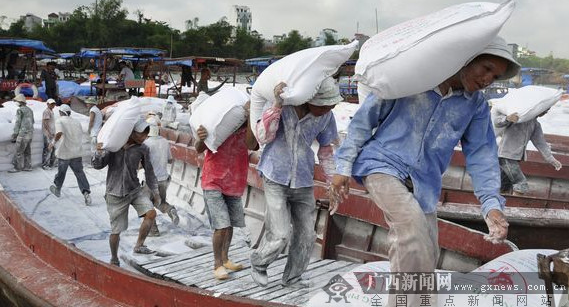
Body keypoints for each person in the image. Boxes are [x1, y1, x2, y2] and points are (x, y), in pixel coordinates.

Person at [331, 38, 520, 305]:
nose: (488, 79)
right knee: (411, 228)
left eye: (495, 75)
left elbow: (482, 154)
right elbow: (363, 123)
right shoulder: (412, 80)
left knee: (428, 251)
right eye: (486, 68)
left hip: (425, 181)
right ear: (466, 58)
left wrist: (491, 204)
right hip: (382, 165)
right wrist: (343, 167)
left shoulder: (475, 105)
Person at [249, 77, 341, 287]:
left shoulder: (327, 117)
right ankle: (259, 263)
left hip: (303, 178)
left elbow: (326, 151)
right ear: (312, 100)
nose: (329, 108)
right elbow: (263, 137)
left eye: (332, 105)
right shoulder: (285, 108)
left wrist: (332, 182)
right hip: (275, 175)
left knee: (307, 235)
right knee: (280, 233)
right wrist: (277, 105)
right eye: (326, 105)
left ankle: (293, 277)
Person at [195, 101, 259, 281]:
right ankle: (217, 265)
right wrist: (202, 137)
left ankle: (225, 258)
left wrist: (250, 117)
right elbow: (199, 148)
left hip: (235, 181)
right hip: (213, 180)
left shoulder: (248, 130)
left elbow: (251, 145)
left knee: (230, 224)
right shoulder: (219, 125)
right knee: (221, 225)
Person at [92, 119, 161, 266]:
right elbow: (97, 165)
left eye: (145, 135)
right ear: (132, 132)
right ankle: (114, 258)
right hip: (115, 192)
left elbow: (149, 171)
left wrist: (155, 191)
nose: (144, 138)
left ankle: (139, 245)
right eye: (142, 134)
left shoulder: (143, 149)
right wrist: (99, 153)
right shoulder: (114, 146)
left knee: (151, 214)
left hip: (134, 189)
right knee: (116, 230)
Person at [493, 110, 562, 195]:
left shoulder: (535, 124)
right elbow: (497, 122)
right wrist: (507, 118)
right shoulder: (518, 117)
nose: (546, 112)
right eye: (546, 109)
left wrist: (552, 159)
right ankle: (514, 206)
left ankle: (501, 204)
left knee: (504, 185)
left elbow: (541, 143)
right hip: (506, 156)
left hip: (515, 158)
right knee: (521, 184)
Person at [49, 104, 92, 206]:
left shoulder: (60, 121)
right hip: (77, 152)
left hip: (65, 153)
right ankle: (86, 193)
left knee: (61, 173)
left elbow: (59, 133)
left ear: (61, 113)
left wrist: (52, 143)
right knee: (79, 173)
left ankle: (57, 189)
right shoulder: (76, 121)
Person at [143, 117, 179, 237]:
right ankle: (170, 210)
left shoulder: (146, 144)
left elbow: (140, 163)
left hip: (151, 180)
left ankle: (154, 231)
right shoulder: (164, 141)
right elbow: (170, 160)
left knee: (147, 205)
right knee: (160, 202)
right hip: (164, 178)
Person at [9, 94, 34, 173]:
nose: (16, 103)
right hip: (30, 134)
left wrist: (15, 134)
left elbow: (18, 122)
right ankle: (28, 166)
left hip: (23, 134)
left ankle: (17, 168)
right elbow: (33, 121)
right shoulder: (30, 110)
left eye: (16, 101)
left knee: (19, 152)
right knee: (27, 151)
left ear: (20, 101)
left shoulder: (20, 110)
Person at [42, 98, 57, 169]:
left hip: (51, 133)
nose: (53, 105)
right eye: (51, 104)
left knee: (52, 149)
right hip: (48, 133)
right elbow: (45, 123)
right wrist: (49, 132)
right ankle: (45, 165)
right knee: (48, 149)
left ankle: (51, 163)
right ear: (47, 104)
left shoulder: (51, 111)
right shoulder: (47, 111)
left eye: (53, 104)